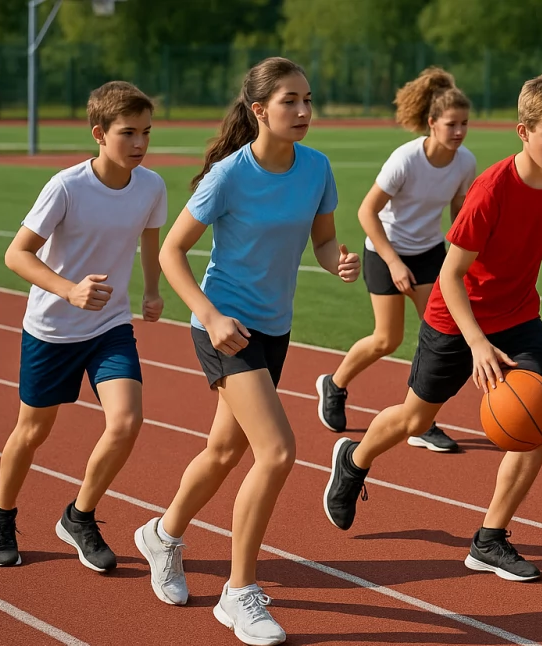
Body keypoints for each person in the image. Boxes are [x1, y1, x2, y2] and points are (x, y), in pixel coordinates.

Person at [322, 74, 542, 582]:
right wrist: (477, 343)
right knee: (416, 420)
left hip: (519, 316)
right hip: (455, 317)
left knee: (538, 420)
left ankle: (489, 539)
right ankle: (354, 458)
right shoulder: (491, 189)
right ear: (523, 131)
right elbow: (450, 275)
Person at [133, 57, 359, 646]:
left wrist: (337, 259)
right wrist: (208, 316)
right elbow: (170, 252)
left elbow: (323, 236)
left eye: (309, 99)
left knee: (224, 448)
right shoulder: (228, 176)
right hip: (224, 326)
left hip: (274, 327)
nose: (305, 111)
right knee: (279, 451)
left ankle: (163, 533)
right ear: (260, 110)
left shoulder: (317, 168)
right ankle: (240, 593)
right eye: (291, 101)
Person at [0, 81, 166, 572]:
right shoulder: (66, 186)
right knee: (33, 430)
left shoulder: (151, 185)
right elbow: (15, 254)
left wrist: (151, 290)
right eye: (128, 133)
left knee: (127, 420)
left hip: (109, 326)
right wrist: (68, 289)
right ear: (99, 134)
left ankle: (79, 515)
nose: (139, 144)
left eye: (146, 133)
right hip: (52, 329)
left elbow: (150, 240)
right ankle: (1, 515)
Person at [315, 66, 476, 453]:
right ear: (432, 123)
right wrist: (394, 262)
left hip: (429, 252)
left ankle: (420, 420)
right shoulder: (405, 159)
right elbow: (367, 212)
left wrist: (467, 254)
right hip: (385, 249)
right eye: (451, 124)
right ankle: (334, 384)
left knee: (438, 337)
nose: (459, 132)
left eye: (464, 124)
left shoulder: (465, 161)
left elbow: (459, 209)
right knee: (388, 339)